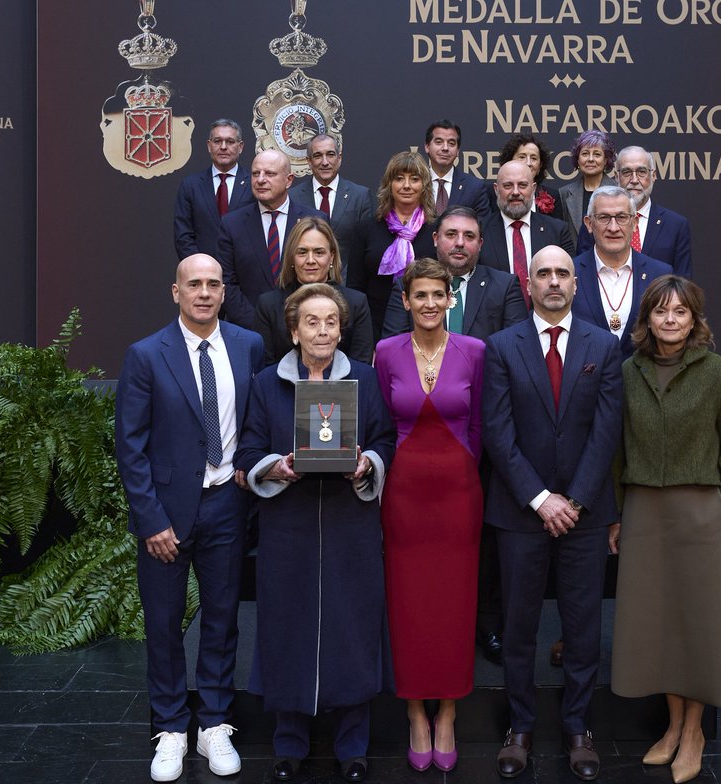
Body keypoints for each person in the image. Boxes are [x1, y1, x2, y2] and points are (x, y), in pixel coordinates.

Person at [235, 283, 395, 784]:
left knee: (353, 631)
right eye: (311, 322)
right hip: (289, 530)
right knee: (287, 630)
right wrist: (275, 468)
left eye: (330, 322)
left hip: (352, 528)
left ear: (341, 328)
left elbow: (386, 439)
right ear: (293, 330)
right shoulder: (265, 384)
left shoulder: (366, 381)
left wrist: (365, 464)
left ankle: (352, 748)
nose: (322, 330)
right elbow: (246, 453)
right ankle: (289, 745)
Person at [114, 253, 264, 782]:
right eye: (193, 284)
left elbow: (255, 424)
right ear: (175, 292)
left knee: (223, 620)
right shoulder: (145, 355)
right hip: (166, 514)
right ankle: (172, 728)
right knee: (163, 624)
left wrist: (248, 470)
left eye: (213, 284)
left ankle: (215, 723)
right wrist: (151, 519)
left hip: (228, 503)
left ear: (224, 292)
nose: (204, 292)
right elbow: (129, 448)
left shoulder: (249, 347)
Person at [482, 246, 623, 782]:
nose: (555, 281)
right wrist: (542, 499)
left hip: (585, 514)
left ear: (574, 281)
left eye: (564, 272)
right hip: (521, 511)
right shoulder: (501, 346)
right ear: (528, 283)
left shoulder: (603, 346)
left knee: (583, 626)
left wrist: (576, 501)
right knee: (519, 626)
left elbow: (606, 431)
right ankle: (519, 728)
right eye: (544, 273)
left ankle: (577, 728)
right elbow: (497, 432)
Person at [610, 275, 721, 784]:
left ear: (695, 319)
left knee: (699, 627)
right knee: (657, 628)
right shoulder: (628, 372)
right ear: (646, 317)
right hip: (646, 514)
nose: (670, 320)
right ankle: (672, 728)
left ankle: (693, 732)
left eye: (680, 312)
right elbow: (617, 449)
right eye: (660, 311)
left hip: (701, 516)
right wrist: (617, 512)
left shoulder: (718, 373)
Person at [374, 257, 486, 773]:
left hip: (459, 496)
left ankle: (449, 714)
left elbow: (481, 427)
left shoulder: (476, 352)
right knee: (409, 604)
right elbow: (376, 424)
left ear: (451, 299)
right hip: (403, 496)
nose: (429, 303)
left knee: (456, 605)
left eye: (437, 294)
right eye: (419, 295)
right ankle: (417, 713)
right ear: (406, 301)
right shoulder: (384, 352)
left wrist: (465, 476)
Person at [214, 148, 326, 328]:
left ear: (289, 180)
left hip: (304, 328)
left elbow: (323, 278)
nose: (260, 180)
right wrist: (259, 325)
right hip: (249, 331)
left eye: (270, 174)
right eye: (255, 173)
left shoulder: (314, 220)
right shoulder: (232, 224)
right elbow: (227, 284)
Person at [380, 205, 527, 342]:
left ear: (480, 244)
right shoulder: (409, 284)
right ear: (436, 239)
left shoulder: (504, 286)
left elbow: (515, 348)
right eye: (451, 234)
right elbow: (394, 346)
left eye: (469, 236)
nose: (460, 243)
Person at [253, 217, 374, 366]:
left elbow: (362, 368)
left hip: (344, 388)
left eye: (319, 252)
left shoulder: (356, 303)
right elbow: (265, 369)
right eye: (302, 252)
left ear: (332, 257)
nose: (310, 260)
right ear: (291, 258)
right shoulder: (268, 305)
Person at [573, 186, 673, 358]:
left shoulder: (660, 274)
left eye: (621, 217)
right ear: (589, 224)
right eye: (604, 217)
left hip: (643, 382)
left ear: (634, 223)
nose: (613, 227)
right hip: (586, 382)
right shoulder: (568, 273)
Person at [346, 151, 437, 338]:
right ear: (389, 184)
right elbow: (355, 289)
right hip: (374, 329)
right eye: (399, 178)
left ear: (424, 186)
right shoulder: (366, 228)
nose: (406, 186)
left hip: (427, 328)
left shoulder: (437, 230)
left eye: (414, 179)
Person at [576, 146, 693, 278]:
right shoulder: (596, 221)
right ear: (616, 177)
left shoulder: (675, 225)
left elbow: (682, 286)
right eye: (626, 173)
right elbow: (583, 274)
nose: (634, 180)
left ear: (653, 175)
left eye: (641, 172)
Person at [479, 161, 576, 302]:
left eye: (522, 185)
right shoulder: (479, 231)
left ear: (533, 188)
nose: (516, 192)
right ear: (496, 189)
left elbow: (568, 279)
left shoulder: (558, 230)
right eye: (508, 186)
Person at [288, 134, 373, 280]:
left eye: (330, 155)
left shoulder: (360, 196)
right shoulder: (292, 197)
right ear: (309, 161)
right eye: (318, 156)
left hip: (348, 286)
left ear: (339, 158)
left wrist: (343, 283)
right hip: (304, 286)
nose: (325, 162)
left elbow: (365, 249)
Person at [174, 119, 253, 260]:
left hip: (244, 272)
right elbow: (183, 235)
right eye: (217, 141)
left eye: (230, 141)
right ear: (209, 146)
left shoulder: (254, 183)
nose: (223, 147)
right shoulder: (191, 185)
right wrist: (199, 267)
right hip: (203, 273)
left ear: (240, 147)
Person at [423, 118, 492, 222]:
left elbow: (483, 227)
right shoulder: (415, 184)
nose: (445, 148)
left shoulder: (474, 187)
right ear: (427, 147)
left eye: (451, 143)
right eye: (438, 142)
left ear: (458, 151)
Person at [557, 130, 617, 235]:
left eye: (597, 154)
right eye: (585, 154)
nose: (590, 159)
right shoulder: (564, 193)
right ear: (578, 159)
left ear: (606, 160)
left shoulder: (619, 190)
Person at [499, 130, 561, 219]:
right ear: (509, 161)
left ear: (540, 166)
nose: (528, 163)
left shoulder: (553, 196)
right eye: (522, 157)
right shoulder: (493, 194)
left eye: (534, 158)